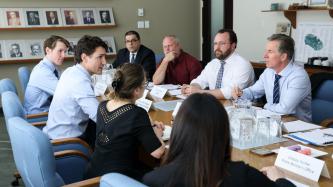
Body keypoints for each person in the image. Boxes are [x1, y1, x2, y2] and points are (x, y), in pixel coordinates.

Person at [143, 93, 295, 187]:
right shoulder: (243, 176)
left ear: (178, 131)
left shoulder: (153, 180)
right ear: (223, 131)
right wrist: (280, 179)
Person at [84, 63, 165, 181]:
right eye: (145, 84)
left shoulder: (102, 105)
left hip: (93, 175)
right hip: (119, 179)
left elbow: (122, 126)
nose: (145, 87)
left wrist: (150, 124)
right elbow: (157, 152)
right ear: (137, 90)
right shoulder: (137, 113)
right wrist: (157, 134)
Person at [43, 35, 108, 148]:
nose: (104, 62)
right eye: (100, 57)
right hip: (67, 141)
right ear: (84, 57)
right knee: (116, 136)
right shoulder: (79, 81)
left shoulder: (71, 71)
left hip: (57, 132)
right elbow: (100, 117)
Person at [232, 34, 311, 122]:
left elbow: (284, 109)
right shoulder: (269, 72)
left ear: (283, 57)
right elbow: (253, 91)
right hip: (271, 122)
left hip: (297, 128)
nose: (264, 56)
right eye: (266, 51)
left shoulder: (298, 76)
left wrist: (265, 106)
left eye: (270, 51)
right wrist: (241, 94)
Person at [181, 29, 254, 100]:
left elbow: (230, 92)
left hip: (239, 108)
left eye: (222, 43)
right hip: (214, 105)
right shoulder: (213, 63)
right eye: (215, 43)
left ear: (233, 46)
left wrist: (200, 92)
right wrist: (191, 88)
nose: (217, 47)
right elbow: (199, 81)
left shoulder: (243, 65)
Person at [23, 36, 70, 115]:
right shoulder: (42, 72)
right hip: (39, 116)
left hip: (48, 110)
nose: (63, 55)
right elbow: (65, 93)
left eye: (65, 52)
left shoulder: (52, 67)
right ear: (48, 50)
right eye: (60, 51)